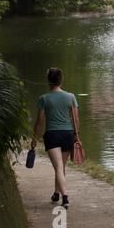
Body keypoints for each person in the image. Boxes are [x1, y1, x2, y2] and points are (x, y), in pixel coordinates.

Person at [31, 68, 80, 208]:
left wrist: (35, 137)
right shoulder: (71, 97)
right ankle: (56, 193)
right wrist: (77, 135)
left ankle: (65, 197)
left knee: (58, 166)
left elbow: (39, 121)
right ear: (61, 80)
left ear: (48, 80)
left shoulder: (44, 98)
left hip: (52, 135)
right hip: (67, 134)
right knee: (60, 166)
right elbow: (75, 119)